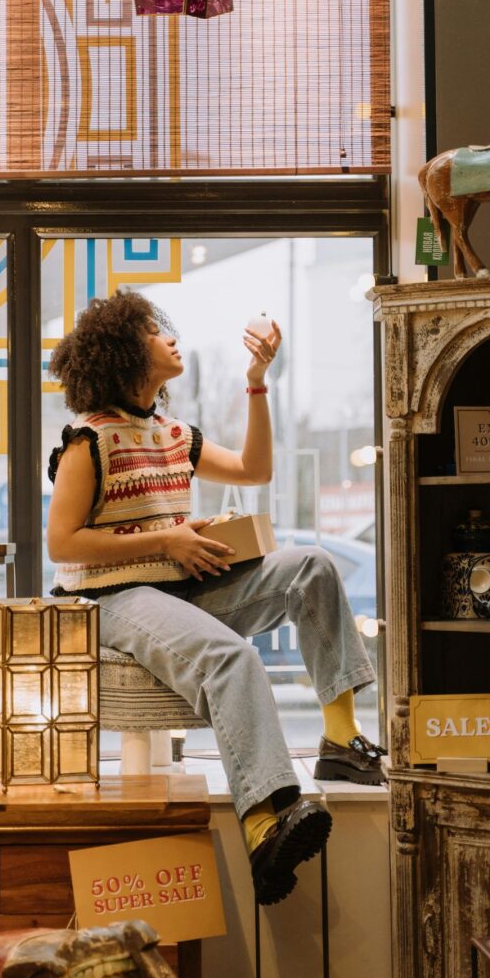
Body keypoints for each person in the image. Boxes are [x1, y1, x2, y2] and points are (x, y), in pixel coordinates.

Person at [46, 291, 383, 906]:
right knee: (233, 658)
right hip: (113, 599)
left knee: (310, 565)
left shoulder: (173, 434)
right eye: (153, 332)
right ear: (124, 354)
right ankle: (265, 824)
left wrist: (257, 383)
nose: (170, 338)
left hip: (177, 584)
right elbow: (62, 543)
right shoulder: (87, 442)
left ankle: (340, 743)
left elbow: (255, 470)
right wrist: (168, 539)